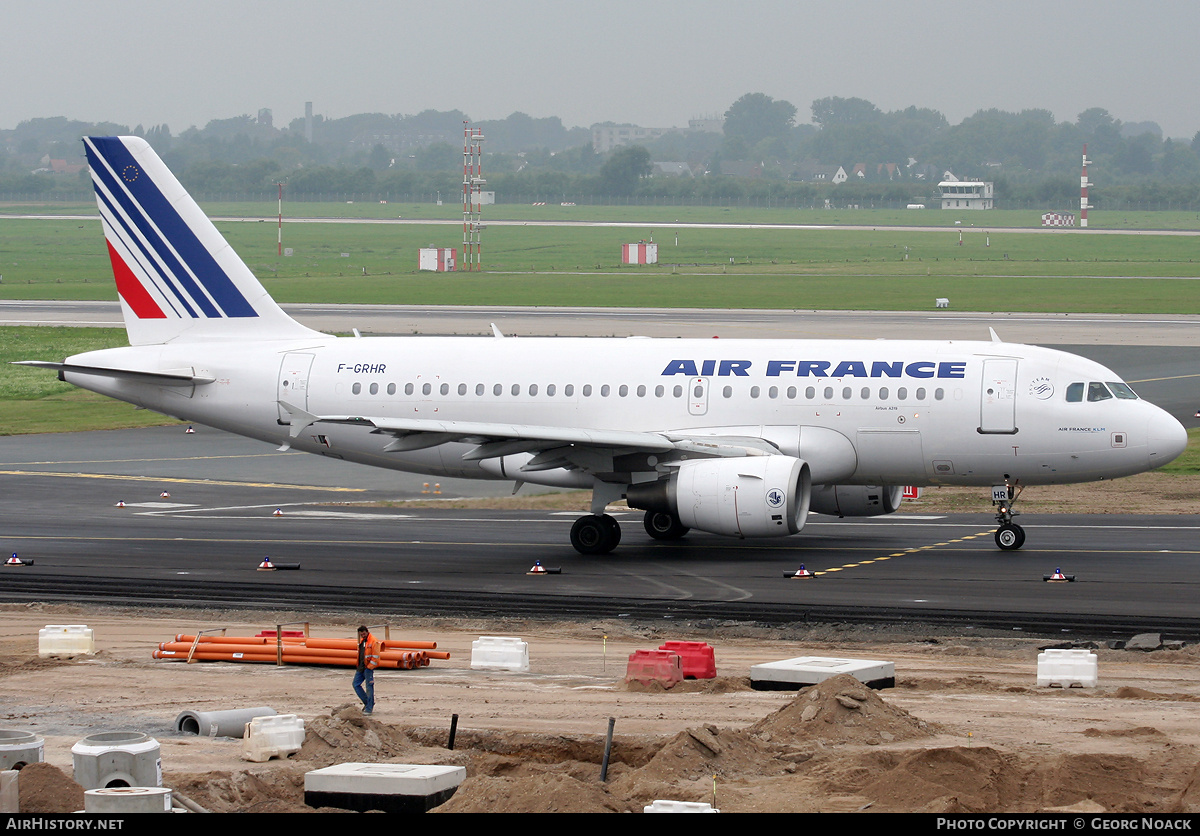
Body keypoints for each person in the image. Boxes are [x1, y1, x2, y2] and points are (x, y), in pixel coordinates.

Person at [354, 625, 380, 714]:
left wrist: (369, 667)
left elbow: (376, 657)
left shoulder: (373, 641)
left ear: (367, 632)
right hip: (361, 667)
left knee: (369, 687)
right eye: (361, 634)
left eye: (364, 634)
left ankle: (369, 708)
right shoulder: (363, 641)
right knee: (355, 684)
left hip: (368, 668)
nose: (363, 635)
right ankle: (368, 703)